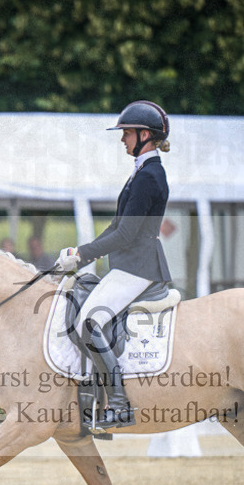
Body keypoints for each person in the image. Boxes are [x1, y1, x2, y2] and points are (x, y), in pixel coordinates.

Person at [56, 100, 172, 429]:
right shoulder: (140, 173)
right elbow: (116, 226)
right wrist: (80, 251)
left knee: (90, 323)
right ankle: (94, 397)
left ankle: (119, 405)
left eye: (127, 133)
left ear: (145, 135)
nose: (122, 139)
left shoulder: (149, 176)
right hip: (128, 265)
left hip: (139, 267)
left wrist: (82, 256)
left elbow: (125, 235)